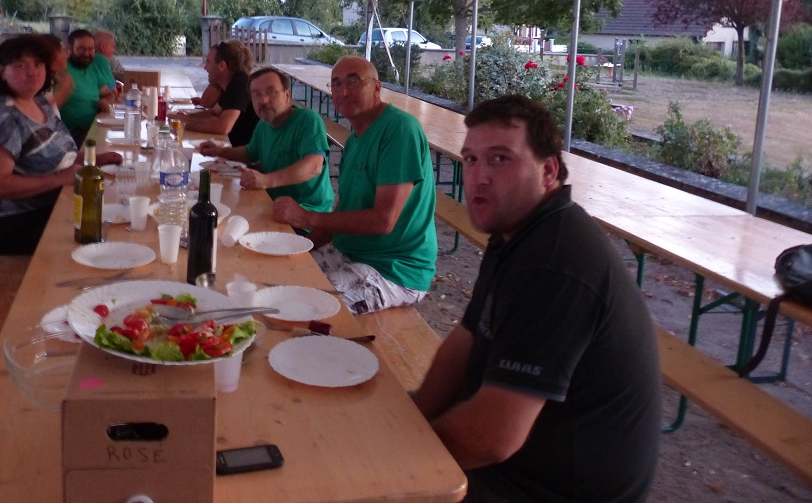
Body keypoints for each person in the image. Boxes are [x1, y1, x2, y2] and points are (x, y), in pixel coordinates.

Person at [413, 95, 661, 503]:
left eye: (500, 159)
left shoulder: (556, 261)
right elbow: (467, 337)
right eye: (471, 159)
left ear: (548, 171)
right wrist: (415, 415)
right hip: (518, 467)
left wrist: (402, 454)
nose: (478, 177)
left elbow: (493, 438)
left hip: (544, 489)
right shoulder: (515, 231)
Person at [273, 55, 437, 313]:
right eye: (336, 84)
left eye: (353, 81)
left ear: (377, 87)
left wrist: (306, 217)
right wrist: (303, 248)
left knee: (306, 309)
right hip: (348, 251)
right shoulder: (355, 138)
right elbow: (345, 208)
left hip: (393, 268)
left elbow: (383, 221)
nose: (343, 91)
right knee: (278, 279)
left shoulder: (399, 129)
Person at [0, 34, 122, 256]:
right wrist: (60, 179)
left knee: (110, 213)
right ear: (1, 71)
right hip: (2, 222)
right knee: (99, 235)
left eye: (38, 64)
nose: (32, 72)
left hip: (44, 205)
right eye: (21, 65)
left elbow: (56, 154)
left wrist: (91, 160)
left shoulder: (38, 101)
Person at [197, 67, 334, 212]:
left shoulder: (308, 121)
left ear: (287, 95)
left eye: (271, 92)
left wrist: (266, 180)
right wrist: (219, 151)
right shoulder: (264, 124)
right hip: (271, 204)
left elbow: (314, 166)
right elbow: (250, 153)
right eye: (256, 95)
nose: (263, 100)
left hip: (307, 211)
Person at [174, 39, 258, 146]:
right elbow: (215, 112)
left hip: (243, 153)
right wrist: (187, 117)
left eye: (208, 62)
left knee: (176, 145)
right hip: (230, 146)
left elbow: (223, 127)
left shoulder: (239, 84)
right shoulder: (229, 83)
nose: (205, 67)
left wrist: (183, 124)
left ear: (222, 66)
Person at [58, 28, 115, 146]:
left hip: (94, 127)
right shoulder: (61, 69)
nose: (87, 54)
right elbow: (48, 107)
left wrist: (106, 102)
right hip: (70, 135)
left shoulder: (92, 68)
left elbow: (109, 94)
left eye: (90, 49)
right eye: (81, 49)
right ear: (69, 49)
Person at [93, 29, 125, 96]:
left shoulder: (92, 58)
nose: (114, 50)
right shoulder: (101, 60)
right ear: (103, 47)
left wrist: (114, 84)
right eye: (112, 46)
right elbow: (112, 87)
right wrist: (116, 90)